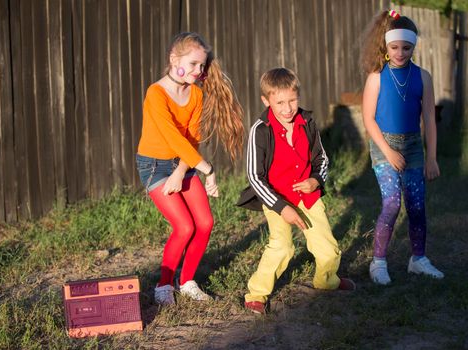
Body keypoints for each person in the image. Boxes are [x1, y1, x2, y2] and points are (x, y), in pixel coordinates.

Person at [136, 32, 244, 305]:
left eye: (202, 66)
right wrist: (206, 168)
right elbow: (172, 137)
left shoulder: (195, 94)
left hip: (183, 163)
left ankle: (186, 282)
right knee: (184, 227)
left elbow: (190, 140)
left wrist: (181, 171)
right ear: (174, 59)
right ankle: (163, 286)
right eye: (194, 64)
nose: (199, 71)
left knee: (205, 223)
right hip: (154, 166)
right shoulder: (156, 93)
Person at [237, 68, 355, 314]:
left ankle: (326, 280)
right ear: (266, 101)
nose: (287, 108)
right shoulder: (260, 130)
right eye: (280, 102)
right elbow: (254, 177)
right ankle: (257, 293)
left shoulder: (307, 122)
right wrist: (282, 207)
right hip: (276, 199)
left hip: (307, 195)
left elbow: (321, 159)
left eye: (292, 100)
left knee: (326, 245)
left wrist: (315, 181)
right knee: (282, 246)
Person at [360, 10, 444, 285]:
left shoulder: (423, 77)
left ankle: (418, 259)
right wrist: (388, 151)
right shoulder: (377, 76)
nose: (400, 53)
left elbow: (429, 118)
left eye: (406, 48)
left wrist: (431, 157)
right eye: (395, 47)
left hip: (413, 147)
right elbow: (368, 119)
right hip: (385, 145)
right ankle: (378, 262)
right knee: (392, 203)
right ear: (386, 45)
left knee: (417, 206)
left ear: (414, 46)